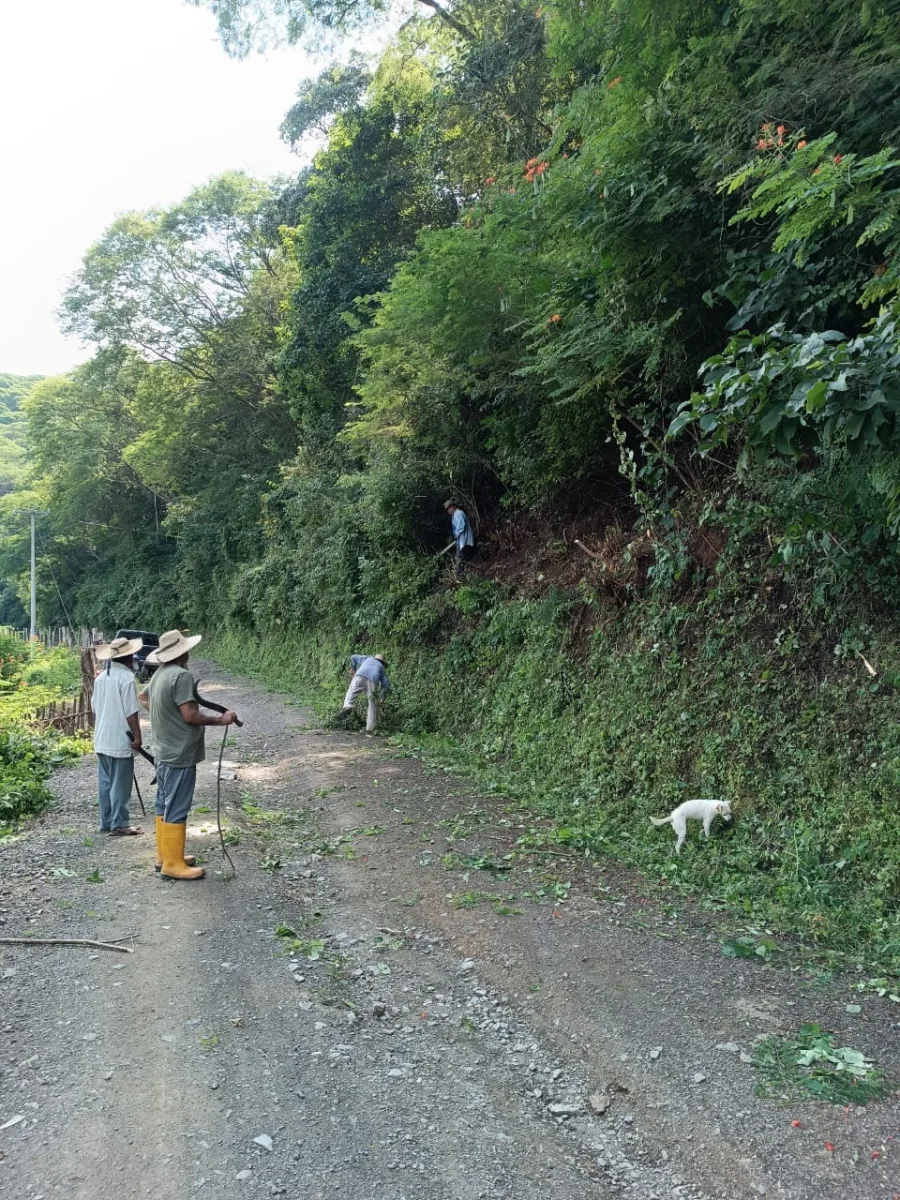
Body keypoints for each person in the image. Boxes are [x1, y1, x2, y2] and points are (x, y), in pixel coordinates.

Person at [140, 629, 238, 881]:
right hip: (178, 752)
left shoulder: (160, 673)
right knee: (177, 805)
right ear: (182, 652)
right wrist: (221, 719)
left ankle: (165, 856)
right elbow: (190, 716)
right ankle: (172, 864)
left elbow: (143, 697)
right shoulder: (182, 676)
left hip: (162, 750)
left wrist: (164, 715)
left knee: (163, 803)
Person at [92, 635, 145, 837]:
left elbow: (94, 708)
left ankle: (107, 821)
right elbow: (131, 711)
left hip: (102, 737)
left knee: (106, 782)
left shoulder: (100, 678)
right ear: (129, 658)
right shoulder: (127, 678)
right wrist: (137, 737)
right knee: (120, 783)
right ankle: (120, 823)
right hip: (119, 737)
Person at [341, 653, 390, 734]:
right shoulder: (381, 668)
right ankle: (370, 728)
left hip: (360, 675)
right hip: (373, 680)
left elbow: (353, 657)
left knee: (352, 691)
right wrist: (382, 698)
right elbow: (386, 684)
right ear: (383, 663)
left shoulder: (367, 658)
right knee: (372, 703)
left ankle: (348, 706)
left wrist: (353, 668)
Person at [444, 499, 475, 576]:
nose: (448, 510)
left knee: (459, 557)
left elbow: (461, 525)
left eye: (449, 508)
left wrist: (457, 535)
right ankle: (465, 574)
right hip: (460, 541)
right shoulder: (454, 516)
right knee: (463, 557)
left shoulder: (458, 513)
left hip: (464, 539)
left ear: (453, 507)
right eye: (447, 509)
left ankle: (459, 576)